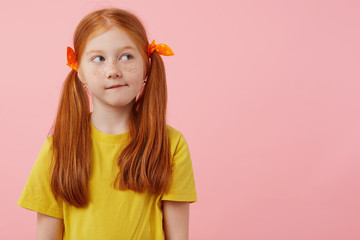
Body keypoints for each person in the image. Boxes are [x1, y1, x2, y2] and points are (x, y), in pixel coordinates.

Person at [17, 7, 197, 240]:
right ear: (79, 70)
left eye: (126, 56)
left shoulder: (171, 144)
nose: (113, 70)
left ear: (146, 65)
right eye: (99, 59)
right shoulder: (58, 148)